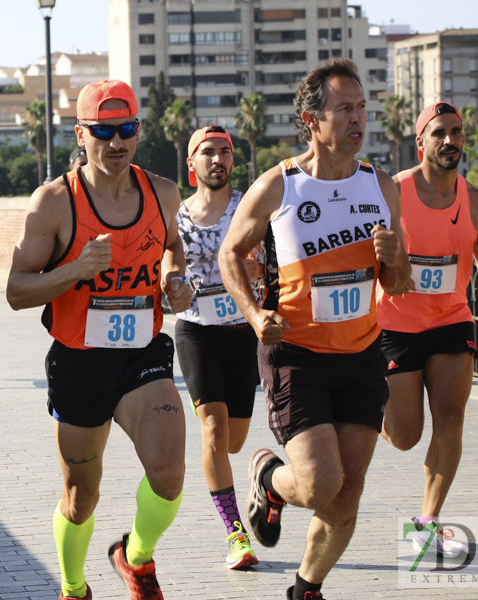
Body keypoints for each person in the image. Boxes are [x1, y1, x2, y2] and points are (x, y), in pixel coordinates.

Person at [217, 58, 412, 600]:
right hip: (296, 355)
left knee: (346, 496)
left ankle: (307, 588)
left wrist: (395, 258)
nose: (359, 118)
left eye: (362, 107)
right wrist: (256, 315)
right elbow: (230, 253)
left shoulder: (381, 186)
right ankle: (267, 479)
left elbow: (398, 284)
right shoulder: (279, 186)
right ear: (312, 120)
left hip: (362, 355)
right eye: (344, 108)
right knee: (320, 483)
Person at [6, 79, 192, 600]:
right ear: (81, 134)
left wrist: (174, 281)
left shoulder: (162, 192)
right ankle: (73, 586)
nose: (116, 143)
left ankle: (135, 557)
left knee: (169, 474)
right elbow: (18, 291)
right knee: (79, 497)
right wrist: (74, 270)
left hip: (141, 358)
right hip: (79, 363)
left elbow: (173, 248)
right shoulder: (55, 202)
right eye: (104, 132)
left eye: (127, 130)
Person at [377, 101, 478, 558]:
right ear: (420, 140)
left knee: (452, 419)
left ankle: (427, 521)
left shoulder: (476, 200)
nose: (450, 141)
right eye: (439, 132)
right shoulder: (393, 192)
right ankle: (369, 403)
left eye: (456, 132)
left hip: (451, 321)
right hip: (395, 326)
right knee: (404, 436)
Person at [174, 126, 264, 570]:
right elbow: (166, 264)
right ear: (191, 164)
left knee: (234, 440)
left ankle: (261, 477)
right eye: (207, 152)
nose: (217, 159)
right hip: (196, 332)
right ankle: (235, 534)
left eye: (224, 151)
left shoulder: (250, 206)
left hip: (244, 332)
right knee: (213, 430)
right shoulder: (177, 216)